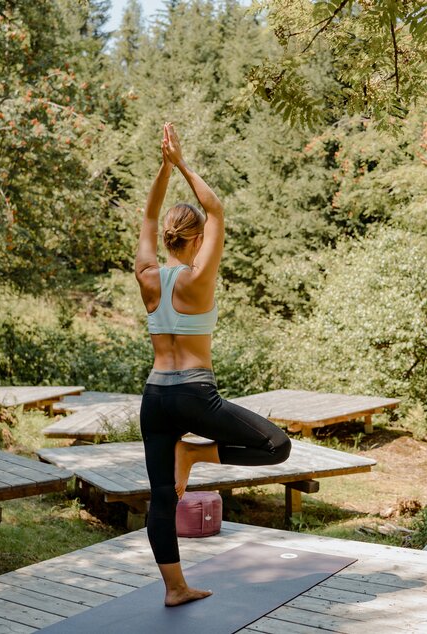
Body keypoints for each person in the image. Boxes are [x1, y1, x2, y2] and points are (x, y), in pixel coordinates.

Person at [134, 122, 292, 607]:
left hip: (156, 396)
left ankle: (175, 588)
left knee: (162, 498)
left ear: (166, 240)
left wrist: (162, 170)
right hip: (195, 395)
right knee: (277, 446)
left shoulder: (146, 275)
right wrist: (180, 162)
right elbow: (215, 207)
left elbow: (147, 214)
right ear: (198, 239)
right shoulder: (199, 279)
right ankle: (197, 455)